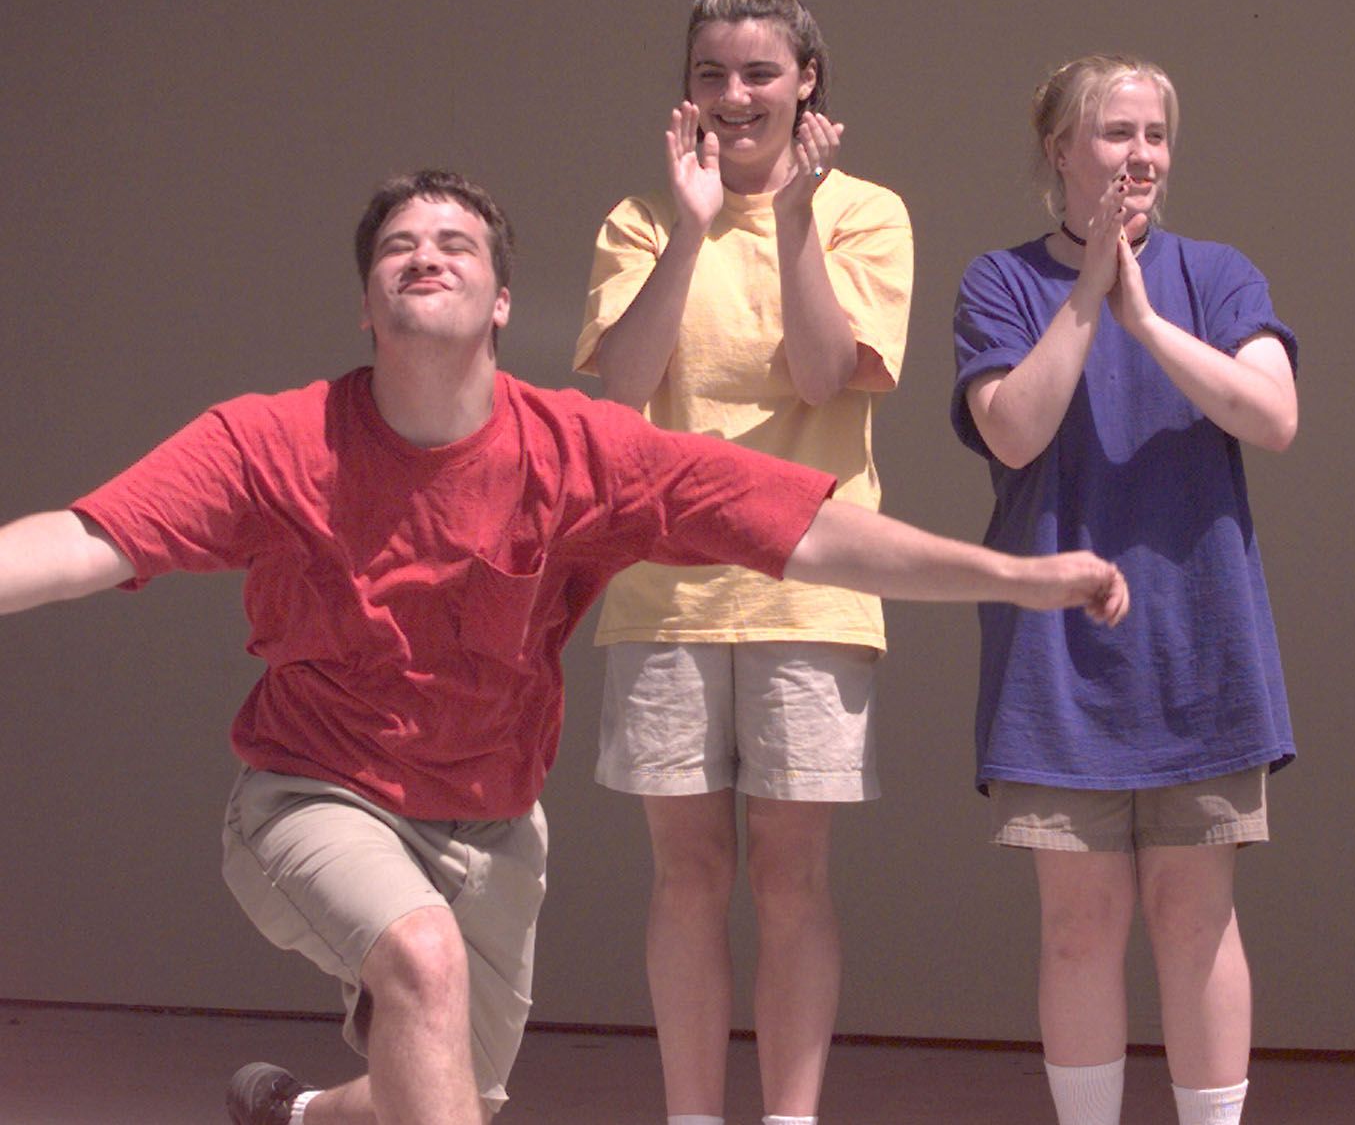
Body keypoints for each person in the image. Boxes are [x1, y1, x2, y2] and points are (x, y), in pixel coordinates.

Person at [0, 169, 1126, 1125]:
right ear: (365, 302)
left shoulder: (582, 453)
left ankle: (297, 1113)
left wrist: (1013, 577)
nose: (424, 255)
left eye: (454, 244)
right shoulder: (271, 441)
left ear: (500, 300)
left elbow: (806, 528)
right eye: (398, 246)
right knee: (422, 962)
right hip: (311, 795)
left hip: (491, 828)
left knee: (440, 1088)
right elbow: (86, 540)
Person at [573, 0, 911, 1125]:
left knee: (788, 873)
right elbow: (620, 390)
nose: (733, 95)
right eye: (709, 73)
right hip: (664, 593)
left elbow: (821, 374)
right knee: (686, 873)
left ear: (806, 81)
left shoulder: (863, 212)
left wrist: (795, 222)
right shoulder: (640, 217)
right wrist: (691, 226)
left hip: (808, 591)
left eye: (759, 71)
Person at [950, 53, 1298, 1125]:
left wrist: (1146, 322)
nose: (1138, 155)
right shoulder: (1000, 282)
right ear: (1059, 149)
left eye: (1154, 134)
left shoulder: (1218, 276)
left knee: (1195, 920)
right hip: (1057, 661)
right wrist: (1090, 293)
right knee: (1077, 927)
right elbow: (1012, 431)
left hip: (1200, 642)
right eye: (1114, 132)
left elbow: (1273, 416)